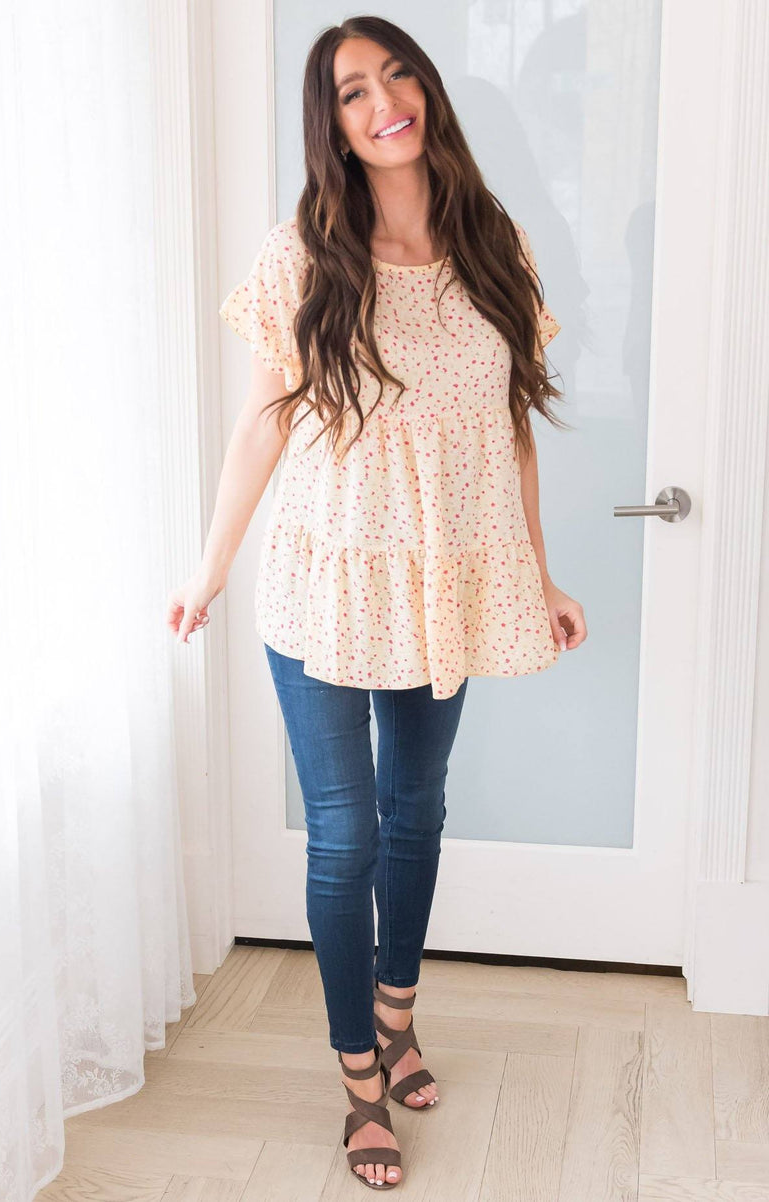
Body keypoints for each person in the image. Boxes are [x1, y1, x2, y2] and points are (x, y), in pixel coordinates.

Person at [166, 15, 586, 1191]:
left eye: (395, 74)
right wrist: (208, 566)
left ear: (427, 91)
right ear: (332, 125)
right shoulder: (304, 252)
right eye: (352, 90)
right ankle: (358, 1072)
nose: (382, 100)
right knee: (344, 831)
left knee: (416, 810)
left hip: (442, 580)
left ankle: (397, 1012)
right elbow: (261, 426)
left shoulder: (494, 240)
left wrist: (539, 571)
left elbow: (509, 429)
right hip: (325, 580)